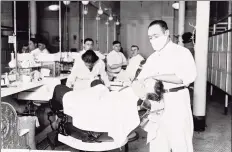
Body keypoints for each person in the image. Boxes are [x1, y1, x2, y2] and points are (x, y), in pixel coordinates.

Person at [136, 20, 197, 152]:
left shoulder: (182, 53)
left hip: (177, 99)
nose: (153, 40)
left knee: (180, 142)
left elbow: (184, 78)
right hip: (156, 102)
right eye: (150, 38)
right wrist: (138, 84)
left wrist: (157, 76)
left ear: (167, 33)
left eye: (156, 36)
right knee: (158, 141)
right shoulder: (152, 57)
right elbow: (141, 78)